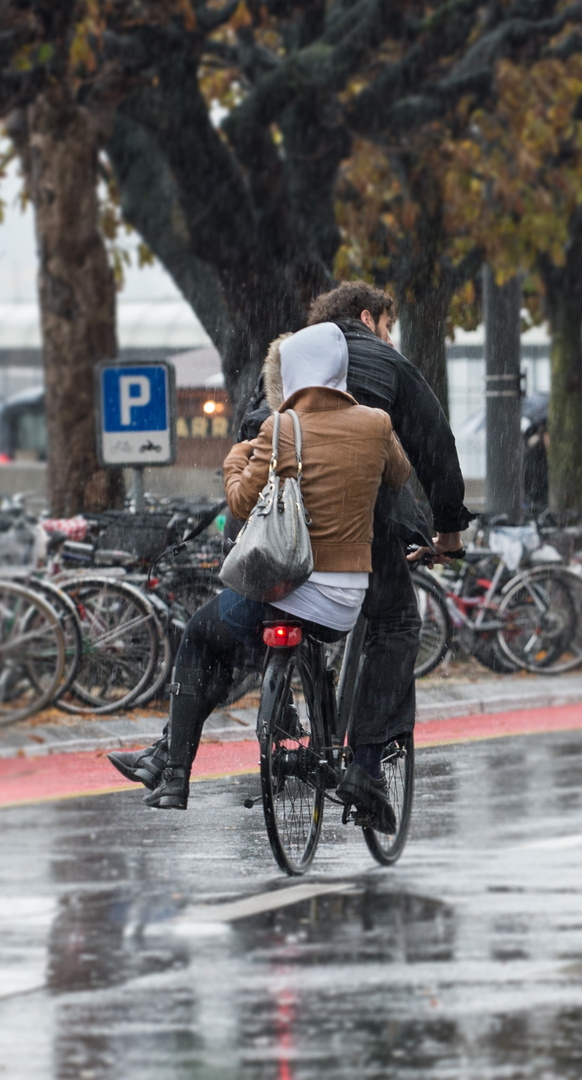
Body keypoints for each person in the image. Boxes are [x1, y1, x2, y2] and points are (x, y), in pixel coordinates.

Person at [110, 282, 472, 826]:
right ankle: (367, 768)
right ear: (369, 319)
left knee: (220, 630)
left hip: (274, 544)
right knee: (395, 624)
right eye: (389, 327)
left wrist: (247, 473)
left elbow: (252, 449)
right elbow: (433, 447)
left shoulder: (286, 377)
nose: (390, 337)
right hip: (360, 536)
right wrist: (446, 530)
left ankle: (175, 751)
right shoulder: (383, 374)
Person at [136, 321, 410, 815]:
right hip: (345, 600)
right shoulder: (376, 424)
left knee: (201, 634)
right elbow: (399, 474)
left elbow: (241, 503)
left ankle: (174, 773)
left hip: (283, 588)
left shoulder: (279, 428)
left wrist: (235, 460)